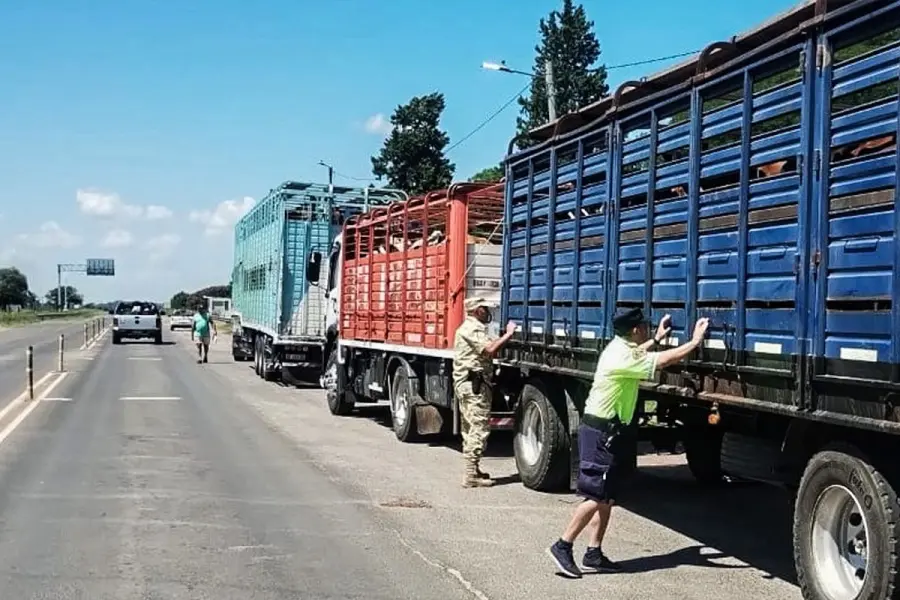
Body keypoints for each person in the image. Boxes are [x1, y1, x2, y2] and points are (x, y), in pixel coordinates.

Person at [546, 307, 710, 578]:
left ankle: (594, 552)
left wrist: (656, 338)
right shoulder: (621, 357)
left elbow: (641, 352)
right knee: (594, 495)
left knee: (606, 496)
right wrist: (693, 342)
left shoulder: (620, 347)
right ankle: (562, 546)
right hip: (601, 432)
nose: (646, 329)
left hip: (609, 431)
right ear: (635, 330)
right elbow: (661, 361)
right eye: (645, 327)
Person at [452, 297, 517, 488]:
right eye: (484, 308)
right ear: (477, 310)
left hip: (469, 384)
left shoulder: (469, 327)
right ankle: (470, 474)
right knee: (479, 428)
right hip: (474, 385)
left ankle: (474, 469)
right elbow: (489, 349)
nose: (487, 312)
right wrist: (509, 334)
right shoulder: (472, 328)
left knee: (470, 428)